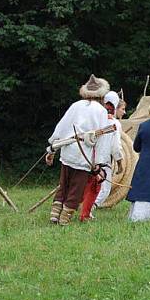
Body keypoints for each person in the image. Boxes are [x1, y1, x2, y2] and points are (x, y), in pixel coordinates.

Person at [46, 74, 112, 225]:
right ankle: (64, 219)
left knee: (64, 184)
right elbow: (102, 139)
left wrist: (52, 149)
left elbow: (61, 128)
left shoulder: (75, 105)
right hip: (84, 154)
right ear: (101, 94)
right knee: (77, 187)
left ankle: (54, 215)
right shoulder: (101, 111)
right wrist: (100, 164)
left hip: (68, 151)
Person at [89, 91, 126, 215]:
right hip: (102, 161)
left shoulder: (94, 119)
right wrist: (120, 164)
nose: (124, 112)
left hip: (87, 159)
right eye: (123, 109)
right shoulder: (114, 124)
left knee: (87, 186)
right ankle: (89, 210)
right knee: (104, 190)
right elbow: (115, 147)